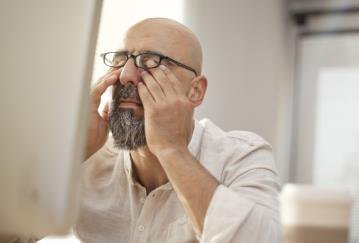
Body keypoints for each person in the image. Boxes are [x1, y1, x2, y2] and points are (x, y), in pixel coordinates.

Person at [10, 17, 281, 243]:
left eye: (151, 61)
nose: (127, 75)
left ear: (195, 90)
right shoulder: (89, 157)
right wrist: (70, 155)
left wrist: (171, 149)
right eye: (120, 59)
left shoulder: (242, 156)